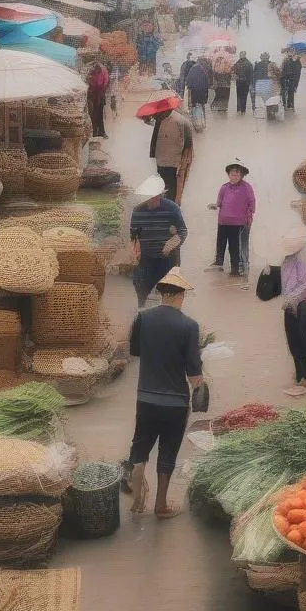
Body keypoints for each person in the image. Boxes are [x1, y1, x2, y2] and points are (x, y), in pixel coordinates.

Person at [127, 268, 204, 518]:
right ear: (181, 295)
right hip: (175, 403)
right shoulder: (190, 326)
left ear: (161, 294)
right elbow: (194, 374)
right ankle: (161, 505)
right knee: (167, 452)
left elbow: (136, 351)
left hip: (146, 398)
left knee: (140, 448)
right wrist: (201, 386)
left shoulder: (143, 319)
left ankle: (137, 500)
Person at [129, 175, 188, 308]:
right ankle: (142, 313)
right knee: (140, 284)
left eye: (156, 196)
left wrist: (174, 241)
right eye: (150, 197)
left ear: (161, 194)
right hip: (147, 258)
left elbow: (183, 230)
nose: (153, 199)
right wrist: (134, 251)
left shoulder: (172, 208)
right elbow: (134, 236)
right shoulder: (138, 211)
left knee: (170, 292)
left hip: (169, 258)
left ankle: (169, 316)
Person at [206, 158, 255, 277]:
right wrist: (214, 205)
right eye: (232, 172)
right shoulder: (224, 187)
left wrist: (248, 219)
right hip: (223, 222)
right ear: (228, 174)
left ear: (242, 174)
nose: (234, 174)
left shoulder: (246, 187)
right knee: (221, 244)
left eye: (237, 172)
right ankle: (218, 264)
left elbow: (252, 204)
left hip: (238, 223)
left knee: (235, 247)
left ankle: (236, 269)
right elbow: (220, 202)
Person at [281, 227, 306, 394]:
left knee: (305, 340)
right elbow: (285, 285)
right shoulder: (285, 261)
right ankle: (300, 373)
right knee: (293, 341)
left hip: (304, 305)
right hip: (290, 305)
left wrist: (292, 299)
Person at [149, 107, 193, 204]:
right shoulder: (160, 119)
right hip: (163, 160)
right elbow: (155, 140)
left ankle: (171, 206)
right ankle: (169, 205)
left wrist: (182, 161)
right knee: (167, 186)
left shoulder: (177, 120)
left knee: (171, 187)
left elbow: (186, 143)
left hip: (173, 161)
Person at [86, 62, 110, 139]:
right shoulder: (91, 73)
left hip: (100, 96)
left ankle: (101, 132)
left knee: (99, 115)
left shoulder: (103, 73)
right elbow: (90, 84)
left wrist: (100, 96)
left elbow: (104, 84)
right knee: (93, 115)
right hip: (93, 97)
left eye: (97, 72)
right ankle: (95, 132)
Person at [186, 57, 211, 126]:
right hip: (202, 91)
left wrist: (189, 88)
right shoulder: (203, 69)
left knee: (195, 106)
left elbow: (188, 80)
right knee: (201, 106)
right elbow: (206, 82)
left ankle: (197, 124)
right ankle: (202, 123)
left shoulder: (194, 68)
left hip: (196, 91)